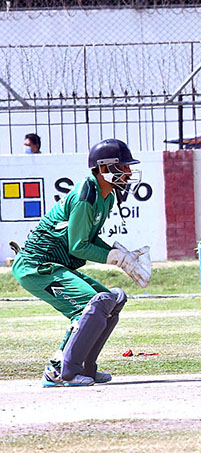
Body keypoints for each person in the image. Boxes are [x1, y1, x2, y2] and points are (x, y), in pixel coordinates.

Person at [11, 138, 151, 387]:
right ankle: (59, 371)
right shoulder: (85, 195)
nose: (129, 173)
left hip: (55, 266)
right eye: (124, 167)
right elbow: (78, 246)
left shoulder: (106, 196)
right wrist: (118, 260)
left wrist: (123, 254)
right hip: (37, 267)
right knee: (90, 305)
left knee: (111, 300)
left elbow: (89, 237)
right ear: (105, 168)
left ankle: (86, 367)